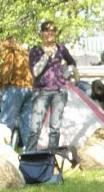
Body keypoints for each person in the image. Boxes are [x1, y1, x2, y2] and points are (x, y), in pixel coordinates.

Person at [25, 21, 79, 152]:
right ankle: (29, 156)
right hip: (41, 92)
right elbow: (35, 72)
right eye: (47, 30)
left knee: (55, 127)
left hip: (59, 92)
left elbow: (72, 63)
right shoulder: (35, 50)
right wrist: (46, 56)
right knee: (35, 127)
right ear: (42, 33)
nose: (50, 33)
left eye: (53, 30)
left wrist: (64, 75)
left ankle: (52, 157)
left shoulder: (61, 48)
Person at [0, 37, 33, 146]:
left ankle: (4, 153)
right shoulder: (24, 51)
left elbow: (6, 69)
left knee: (6, 122)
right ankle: (31, 155)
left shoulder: (7, 48)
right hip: (29, 87)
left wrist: (2, 85)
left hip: (14, 86)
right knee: (28, 123)